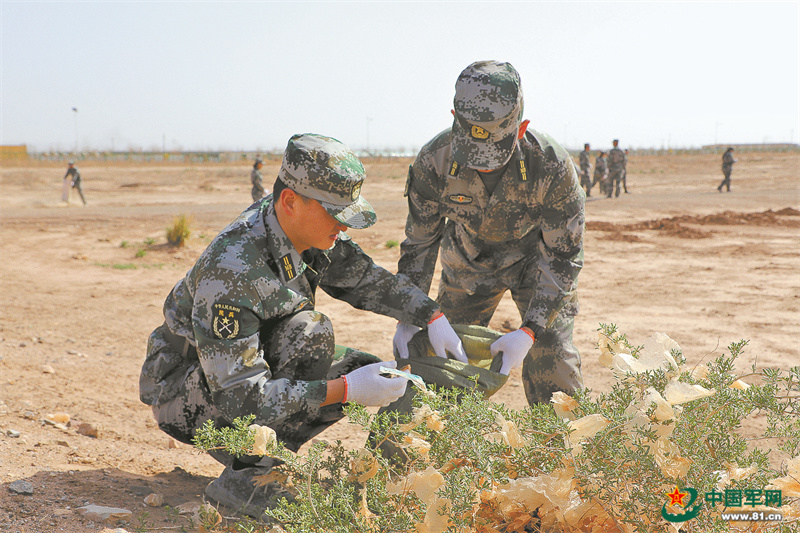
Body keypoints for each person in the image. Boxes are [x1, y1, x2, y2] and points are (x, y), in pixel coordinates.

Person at [139, 133, 466, 518]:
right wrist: (345, 390)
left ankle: (378, 486)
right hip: (186, 391)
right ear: (291, 201)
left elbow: (363, 278)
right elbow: (239, 396)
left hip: (244, 373)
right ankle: (250, 479)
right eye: (335, 214)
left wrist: (430, 315)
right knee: (312, 335)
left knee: (369, 370)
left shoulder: (300, 228)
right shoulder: (232, 269)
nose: (343, 227)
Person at [394, 60, 585, 407]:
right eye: (471, 149)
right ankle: (412, 455)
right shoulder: (433, 161)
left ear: (522, 127)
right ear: (454, 115)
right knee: (441, 359)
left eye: (495, 151)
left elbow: (563, 257)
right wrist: (411, 313)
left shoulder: (552, 166)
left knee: (553, 357)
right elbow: (420, 244)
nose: (483, 162)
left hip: (535, 263)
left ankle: (564, 455)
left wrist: (530, 331)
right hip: (469, 262)